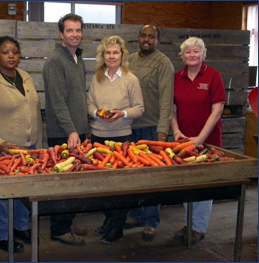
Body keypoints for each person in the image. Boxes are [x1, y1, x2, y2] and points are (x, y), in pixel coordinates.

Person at [0, 36, 42, 252]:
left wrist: (39, 145)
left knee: (26, 190)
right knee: (1, 196)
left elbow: (34, 111)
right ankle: (2, 236)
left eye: (15, 51)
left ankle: (21, 228)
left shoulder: (26, 78)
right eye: (6, 52)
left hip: (29, 148)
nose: (11, 55)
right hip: (3, 151)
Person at [87, 35, 144, 244]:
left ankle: (117, 227)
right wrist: (98, 114)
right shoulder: (96, 78)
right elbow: (90, 104)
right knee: (102, 186)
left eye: (115, 52)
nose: (112, 56)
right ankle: (109, 220)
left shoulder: (131, 79)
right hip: (98, 138)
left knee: (120, 185)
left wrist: (122, 114)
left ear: (122, 55)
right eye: (108, 52)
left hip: (121, 139)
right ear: (103, 55)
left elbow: (139, 108)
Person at [171, 37, 225, 245]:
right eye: (187, 52)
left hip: (208, 142)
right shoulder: (177, 77)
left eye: (196, 52)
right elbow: (172, 109)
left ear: (203, 54)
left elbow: (217, 110)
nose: (192, 55)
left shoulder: (213, 76)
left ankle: (198, 228)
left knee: (203, 184)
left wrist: (200, 139)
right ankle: (189, 223)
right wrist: (176, 131)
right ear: (182, 56)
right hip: (183, 141)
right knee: (186, 184)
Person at [42, 13, 89, 246]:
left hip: (76, 132)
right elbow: (58, 102)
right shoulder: (55, 61)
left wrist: (82, 130)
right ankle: (59, 229)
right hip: (63, 133)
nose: (75, 35)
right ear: (61, 34)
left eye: (78, 30)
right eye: (70, 31)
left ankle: (67, 221)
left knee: (74, 182)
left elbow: (78, 97)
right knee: (62, 183)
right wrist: (71, 131)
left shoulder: (76, 59)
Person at [125, 25, 175, 241]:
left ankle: (150, 221)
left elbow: (167, 101)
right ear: (138, 38)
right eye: (143, 36)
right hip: (130, 127)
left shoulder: (164, 63)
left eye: (151, 37)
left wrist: (162, 131)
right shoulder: (130, 60)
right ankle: (136, 214)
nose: (146, 40)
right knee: (134, 175)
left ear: (158, 40)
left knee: (153, 178)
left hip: (152, 128)